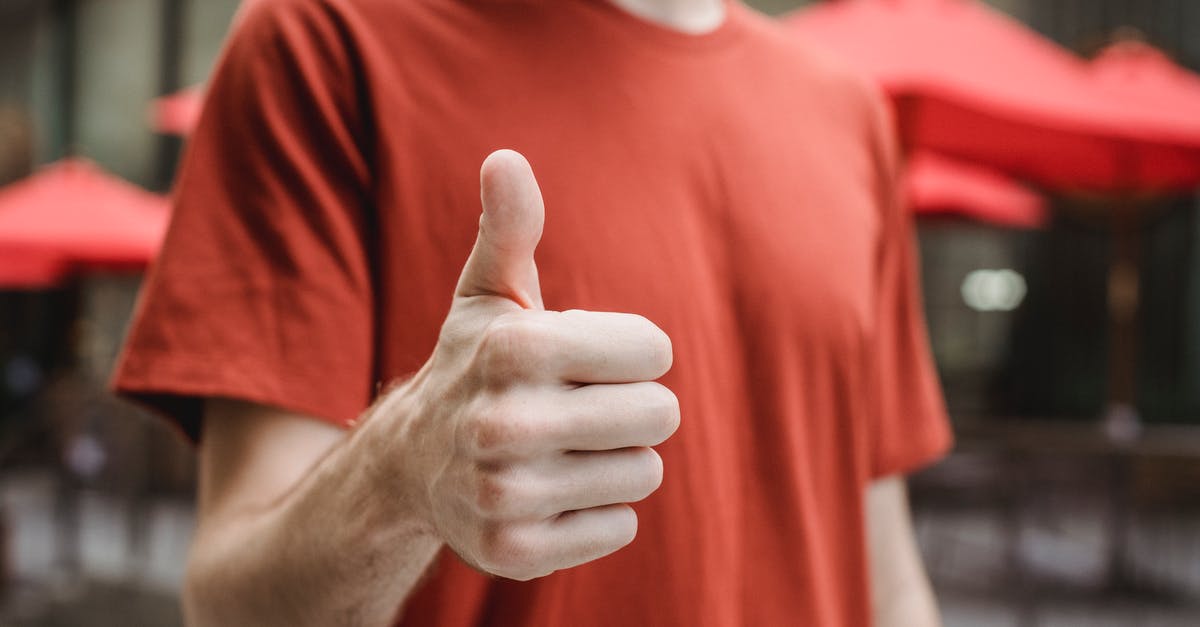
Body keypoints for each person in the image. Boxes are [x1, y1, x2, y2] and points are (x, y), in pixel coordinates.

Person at [114, 0, 952, 624]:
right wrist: (403, 473)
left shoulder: (850, 115)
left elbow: (886, 571)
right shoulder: (322, 40)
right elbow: (227, 603)